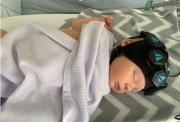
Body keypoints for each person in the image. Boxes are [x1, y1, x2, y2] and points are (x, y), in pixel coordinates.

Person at [0, 17, 175, 96]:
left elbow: (70, 102)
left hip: (30, 81)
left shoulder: (96, 91)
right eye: (134, 75)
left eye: (134, 89)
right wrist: (94, 23)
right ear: (126, 45)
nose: (129, 86)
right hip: (27, 51)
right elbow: (76, 27)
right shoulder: (99, 41)